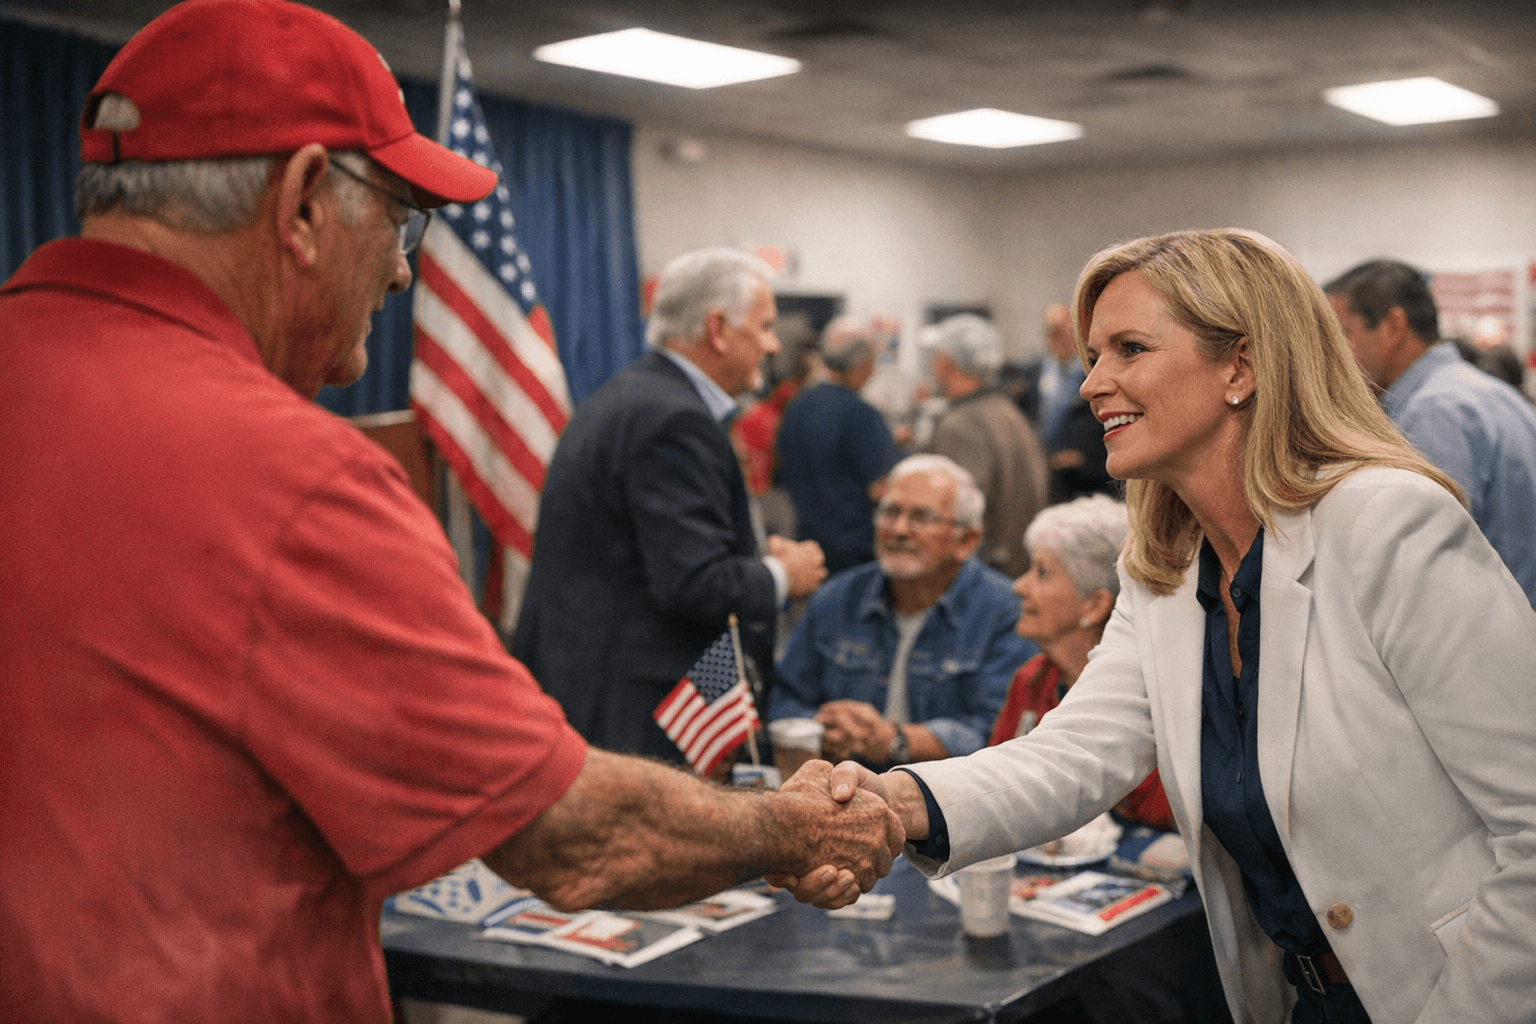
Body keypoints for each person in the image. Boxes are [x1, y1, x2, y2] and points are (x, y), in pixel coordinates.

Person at [0, 4, 896, 1020]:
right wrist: (793, 828)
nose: (400, 267)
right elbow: (569, 834)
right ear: (300, 203)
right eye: (397, 214)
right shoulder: (290, 477)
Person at [809, 229, 1536, 1023]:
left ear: (1242, 367)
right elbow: (1075, 753)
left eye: (1128, 349)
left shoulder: (1387, 524)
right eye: (1092, 357)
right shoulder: (1168, 566)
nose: (1093, 384)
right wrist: (891, 801)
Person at [512, 247, 827, 765]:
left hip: (589, 683)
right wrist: (781, 576)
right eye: (766, 326)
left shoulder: (635, 396)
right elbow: (693, 584)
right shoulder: (674, 420)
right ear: (718, 328)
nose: (773, 346)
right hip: (630, 710)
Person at [769, 455, 1036, 774]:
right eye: (890, 512)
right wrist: (824, 728)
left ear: (966, 541)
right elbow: (785, 697)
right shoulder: (836, 599)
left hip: (952, 806)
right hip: (839, 793)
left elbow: (1002, 732)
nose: (898, 529)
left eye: (921, 517)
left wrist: (897, 741)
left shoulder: (1006, 612)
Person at [1324, 259, 1536, 606]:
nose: (1334, 354)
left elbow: (1426, 575)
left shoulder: (1435, 413)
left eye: (1344, 334)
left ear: (1394, 326)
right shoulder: (1481, 391)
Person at [992, 494, 1172, 831]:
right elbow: (997, 788)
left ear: (1094, 605)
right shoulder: (1032, 680)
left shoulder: (1154, 693)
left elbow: (1168, 810)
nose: (1018, 586)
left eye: (1042, 573)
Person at [922, 313, 1050, 578]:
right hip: (1014, 570)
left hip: (980, 579)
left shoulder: (962, 425)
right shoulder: (1008, 412)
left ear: (944, 362)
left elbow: (956, 517)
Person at [774, 316, 900, 574]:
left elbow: (781, 467)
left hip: (806, 544)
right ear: (862, 364)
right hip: (853, 548)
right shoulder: (861, 414)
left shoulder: (798, 406)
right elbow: (880, 488)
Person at [1038, 302, 1115, 504]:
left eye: (1064, 331)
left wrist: (1083, 460)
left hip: (1090, 484)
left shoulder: (1094, 372)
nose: (1058, 338)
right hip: (1047, 477)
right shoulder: (1034, 374)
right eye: (1051, 332)